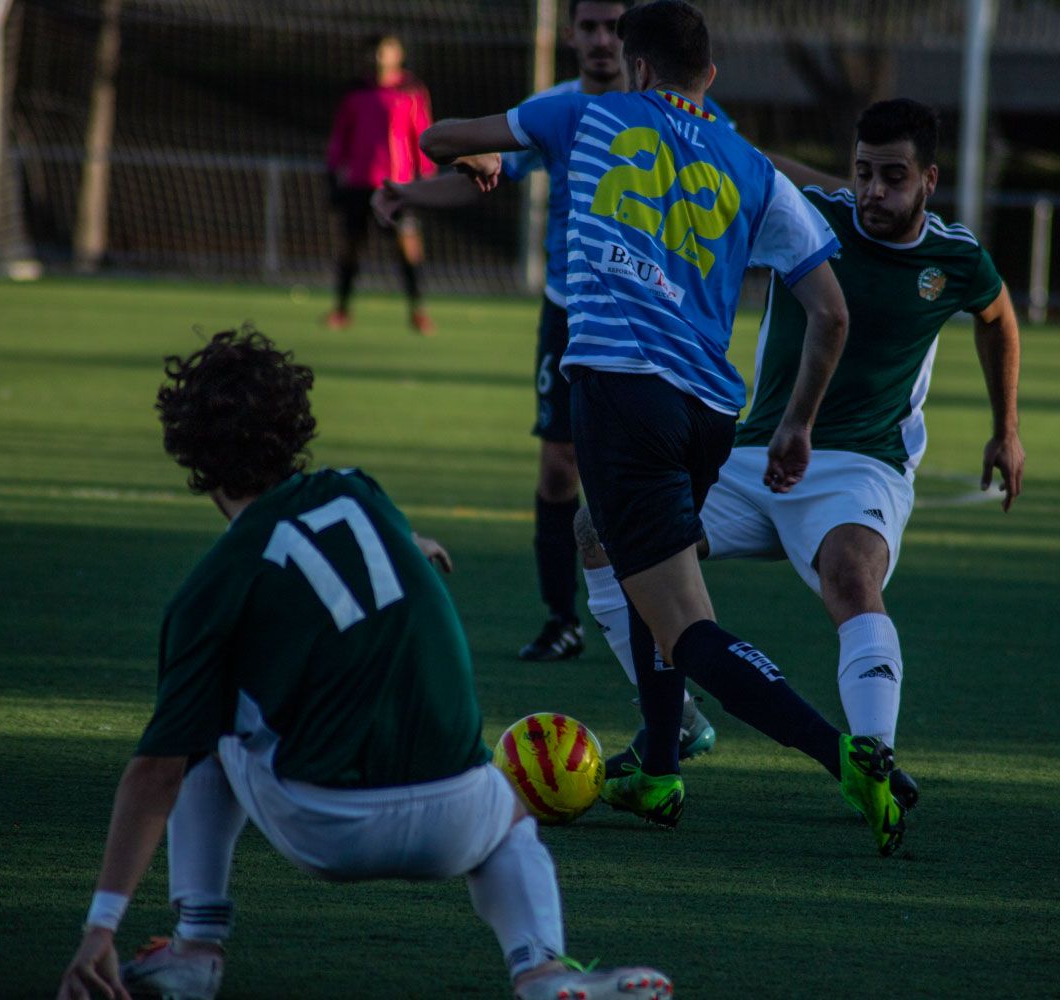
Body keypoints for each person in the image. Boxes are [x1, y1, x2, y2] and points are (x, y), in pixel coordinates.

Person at [54, 327, 671, 1000]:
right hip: (459, 815)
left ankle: (194, 948)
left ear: (190, 453)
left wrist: (101, 925)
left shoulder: (211, 587)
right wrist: (409, 541)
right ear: (296, 423)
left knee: (203, 724)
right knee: (511, 818)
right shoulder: (361, 493)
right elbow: (355, 548)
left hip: (329, 828)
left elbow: (154, 773)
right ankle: (541, 969)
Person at [418, 0, 903, 855]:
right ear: (709, 77)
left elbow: (437, 140)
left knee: (686, 621)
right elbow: (830, 314)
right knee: (606, 539)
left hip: (620, 394)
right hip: (713, 413)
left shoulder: (585, 112)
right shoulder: (754, 167)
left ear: (637, 68)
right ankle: (658, 769)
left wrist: (483, 151)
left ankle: (849, 759)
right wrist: (795, 426)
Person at [580, 99, 1027, 809]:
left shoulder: (956, 257)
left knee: (851, 577)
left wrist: (1006, 427)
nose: (874, 192)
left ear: (929, 180)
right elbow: (743, 165)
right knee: (607, 534)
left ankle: (873, 759)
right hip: (753, 453)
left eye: (893, 176)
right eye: (863, 173)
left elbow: (998, 315)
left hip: (861, 466)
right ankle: (670, 727)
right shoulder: (806, 217)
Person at [375, 2, 728, 776]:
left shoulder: (677, 112)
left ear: (633, 47)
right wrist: (410, 194)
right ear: (573, 36)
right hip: (572, 318)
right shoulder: (557, 111)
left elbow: (743, 174)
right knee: (561, 474)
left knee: (636, 515)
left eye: (613, 26)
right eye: (590, 26)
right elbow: (483, 177)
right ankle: (565, 619)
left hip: (654, 333)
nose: (602, 39)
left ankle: (670, 679)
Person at [326, 35, 436, 335]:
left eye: (385, 50)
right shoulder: (355, 91)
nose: (379, 56)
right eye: (375, 51)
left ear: (397, 54)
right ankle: (341, 310)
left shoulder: (411, 89)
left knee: (408, 247)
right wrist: (334, 170)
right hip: (359, 183)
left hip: (397, 186)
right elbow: (341, 136)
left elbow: (422, 132)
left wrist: (426, 172)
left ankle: (418, 311)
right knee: (350, 247)